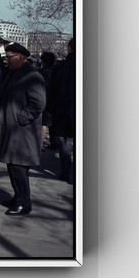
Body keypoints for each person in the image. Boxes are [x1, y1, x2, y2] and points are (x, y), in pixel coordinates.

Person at [0, 43, 46, 216]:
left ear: (21, 57)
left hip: (22, 131)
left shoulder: (32, 75)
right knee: (13, 166)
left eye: (9, 57)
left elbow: (38, 103)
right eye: (6, 57)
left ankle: (24, 203)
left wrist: (20, 118)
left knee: (19, 167)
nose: (7, 60)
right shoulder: (14, 73)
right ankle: (18, 197)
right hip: (14, 130)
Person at [46, 39, 75, 184]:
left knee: (65, 142)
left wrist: (50, 109)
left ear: (70, 48)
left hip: (64, 111)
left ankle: (65, 172)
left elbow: (53, 90)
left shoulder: (60, 67)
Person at [39, 51, 57, 151]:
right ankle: (54, 142)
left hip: (44, 99)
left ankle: (40, 144)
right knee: (52, 123)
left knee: (43, 124)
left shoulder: (41, 72)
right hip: (55, 99)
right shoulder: (57, 71)